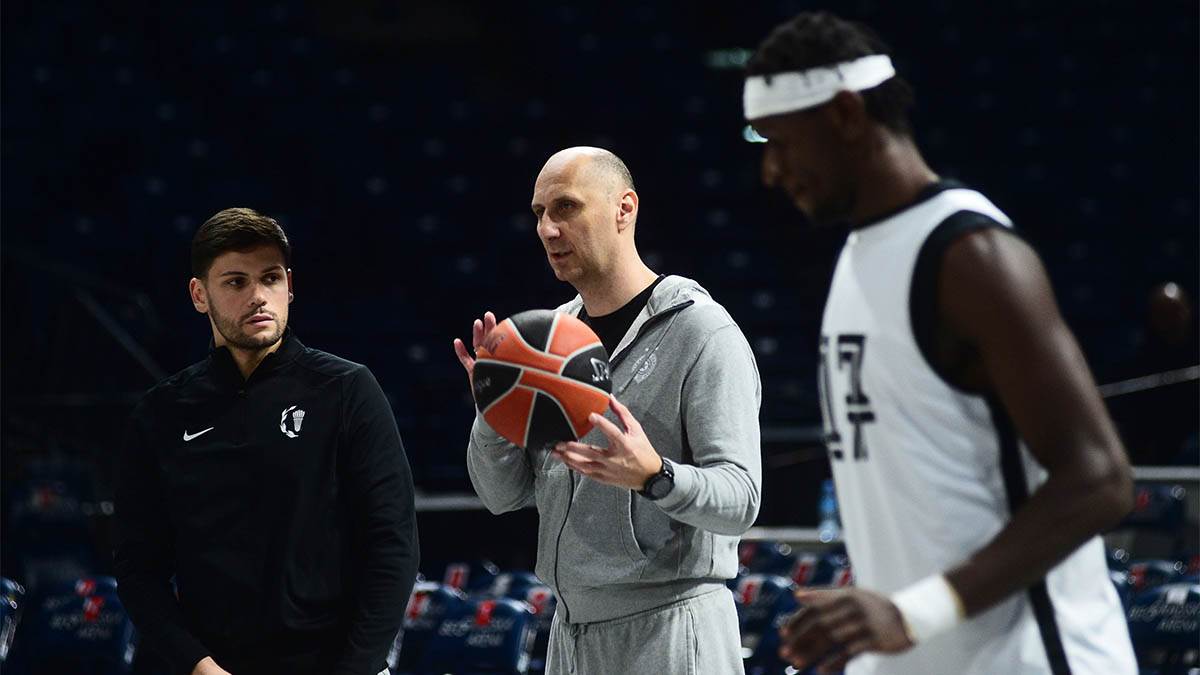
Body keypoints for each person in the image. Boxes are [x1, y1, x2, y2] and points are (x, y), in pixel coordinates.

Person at [742, 12, 1137, 675]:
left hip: (1031, 658)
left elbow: (1101, 479)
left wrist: (914, 612)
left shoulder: (970, 255)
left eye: (779, 141)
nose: (771, 171)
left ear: (845, 114)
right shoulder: (858, 257)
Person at [452, 147, 762, 674]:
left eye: (566, 207)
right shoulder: (548, 339)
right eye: (539, 213)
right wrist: (493, 411)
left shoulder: (702, 332)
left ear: (624, 209)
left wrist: (655, 476)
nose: (547, 229)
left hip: (671, 630)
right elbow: (501, 497)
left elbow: (740, 499)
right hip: (569, 631)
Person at [113, 208, 418, 675]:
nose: (258, 296)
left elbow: (393, 546)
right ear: (199, 295)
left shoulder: (346, 389)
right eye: (236, 282)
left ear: (289, 285)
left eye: (270, 278)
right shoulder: (161, 412)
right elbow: (138, 569)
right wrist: (198, 666)